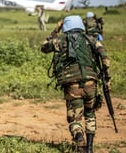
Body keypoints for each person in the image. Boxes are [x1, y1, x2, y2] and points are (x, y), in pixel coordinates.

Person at [41, 15, 111, 153]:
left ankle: (79, 140)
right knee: (90, 113)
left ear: (65, 26)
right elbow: (105, 58)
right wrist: (106, 78)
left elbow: (44, 47)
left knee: (75, 117)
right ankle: (90, 148)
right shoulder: (91, 40)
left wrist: (55, 30)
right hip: (91, 83)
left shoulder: (59, 40)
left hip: (72, 86)